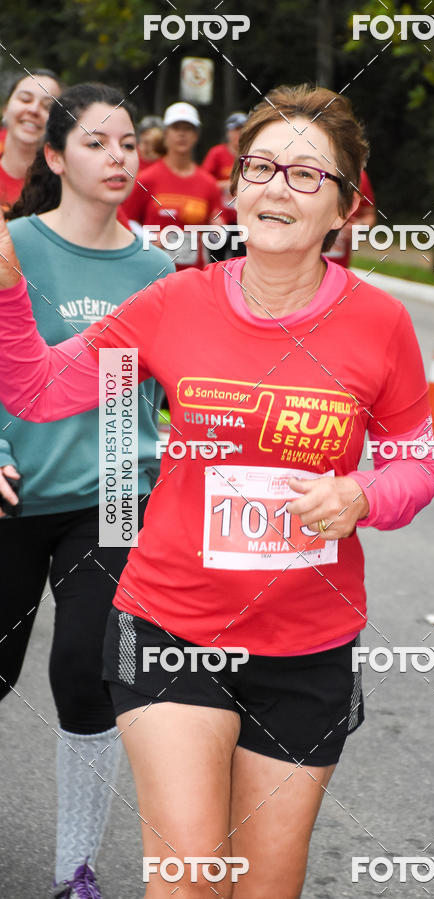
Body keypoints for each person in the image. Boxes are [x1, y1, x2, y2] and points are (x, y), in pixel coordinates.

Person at [0, 83, 434, 898]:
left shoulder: (380, 324)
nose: (276, 185)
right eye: (262, 167)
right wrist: (5, 294)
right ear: (234, 188)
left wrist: (362, 497)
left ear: (345, 206)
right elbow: (37, 390)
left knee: (265, 886)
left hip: (307, 645)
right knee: (192, 879)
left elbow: (416, 464)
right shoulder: (171, 300)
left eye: (308, 175)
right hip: (172, 625)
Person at [0, 82, 174, 898]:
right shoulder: (15, 245)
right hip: (12, 491)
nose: (117, 157)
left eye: (128, 143)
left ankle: (76, 870)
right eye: (98, 142)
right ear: (58, 156)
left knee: (85, 670)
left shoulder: (156, 267)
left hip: (111, 496)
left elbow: (174, 393)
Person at [123, 101, 223, 270]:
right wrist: (151, 238)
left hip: (192, 276)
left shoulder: (208, 183)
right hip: (152, 273)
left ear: (196, 135)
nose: (182, 134)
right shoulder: (147, 179)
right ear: (166, 134)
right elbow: (125, 222)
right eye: (176, 128)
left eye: (188, 128)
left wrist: (218, 231)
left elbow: (215, 237)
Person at [0, 69, 62, 210]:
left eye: (47, 106)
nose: (34, 109)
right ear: (5, 109)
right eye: (25, 99)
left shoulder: (70, 185)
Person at [202, 111, 248, 260]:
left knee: (241, 258)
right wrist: (226, 185)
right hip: (220, 217)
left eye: (242, 129)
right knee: (216, 258)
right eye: (235, 130)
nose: (239, 134)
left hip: (241, 218)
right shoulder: (217, 153)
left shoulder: (252, 154)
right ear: (228, 132)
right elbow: (204, 182)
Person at [324, 168, 376, 268]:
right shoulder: (308, 168)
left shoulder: (359, 175)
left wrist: (359, 226)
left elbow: (369, 214)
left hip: (339, 266)